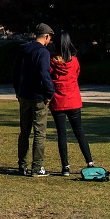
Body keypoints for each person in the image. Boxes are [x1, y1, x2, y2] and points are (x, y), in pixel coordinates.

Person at [49, 30, 95, 177]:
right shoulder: (74, 61)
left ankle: (65, 166)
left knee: (62, 133)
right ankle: (89, 161)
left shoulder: (52, 61)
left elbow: (48, 76)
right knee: (79, 131)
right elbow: (76, 74)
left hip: (58, 100)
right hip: (73, 99)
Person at [12, 23, 56, 177]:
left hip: (24, 95)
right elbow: (45, 75)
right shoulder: (43, 53)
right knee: (39, 133)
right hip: (38, 97)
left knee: (24, 131)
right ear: (46, 36)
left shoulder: (23, 49)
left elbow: (16, 72)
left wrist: (17, 90)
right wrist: (50, 93)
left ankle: (21, 165)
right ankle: (37, 167)